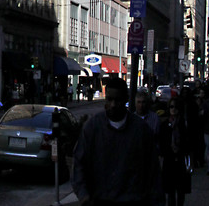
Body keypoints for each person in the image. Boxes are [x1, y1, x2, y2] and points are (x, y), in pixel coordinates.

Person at [72, 75, 164, 206]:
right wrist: (84, 195)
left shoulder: (141, 130)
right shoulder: (93, 128)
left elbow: (153, 171)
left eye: (118, 100)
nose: (113, 105)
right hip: (100, 199)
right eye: (109, 99)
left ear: (126, 100)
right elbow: (79, 164)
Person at [159, 98, 191, 206]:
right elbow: (162, 141)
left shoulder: (184, 123)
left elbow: (188, 141)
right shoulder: (164, 124)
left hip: (181, 159)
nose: (173, 109)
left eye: (176, 107)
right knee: (170, 191)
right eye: (171, 107)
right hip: (169, 160)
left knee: (181, 191)